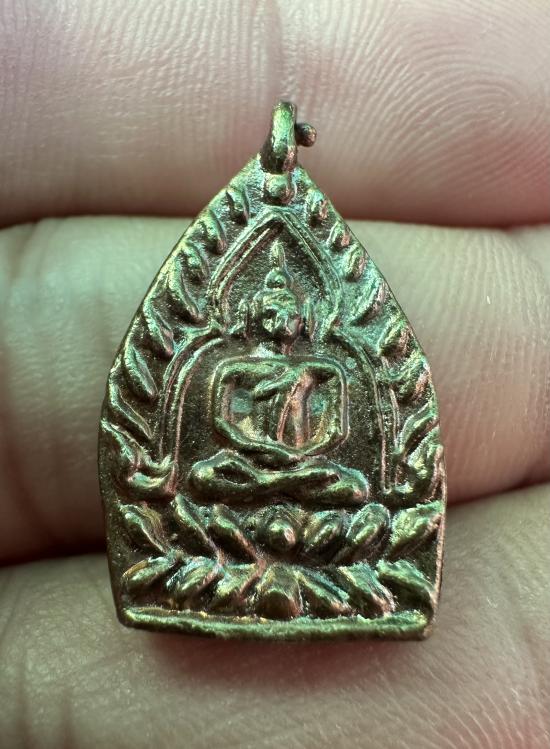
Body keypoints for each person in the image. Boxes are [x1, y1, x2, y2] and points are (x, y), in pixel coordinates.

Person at [0, 1, 549, 747]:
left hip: (311, 489)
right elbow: (226, 443)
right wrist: (256, 460)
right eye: (267, 306)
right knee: (216, 479)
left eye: (289, 307)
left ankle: (265, 568)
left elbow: (335, 447)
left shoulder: (324, 364)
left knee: (344, 488)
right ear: (248, 308)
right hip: (240, 481)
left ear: (307, 310)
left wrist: (294, 463)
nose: (279, 316)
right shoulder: (228, 367)